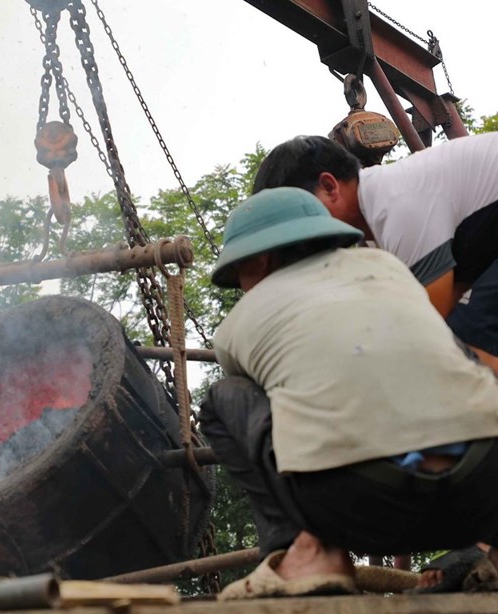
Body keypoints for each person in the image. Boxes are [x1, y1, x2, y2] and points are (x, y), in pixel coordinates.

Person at [201, 187, 498, 600]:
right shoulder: (389, 269)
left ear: (260, 259)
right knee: (463, 362)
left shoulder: (233, 328)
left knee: (226, 397)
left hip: (360, 505)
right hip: (483, 493)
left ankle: (309, 555)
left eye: (240, 276)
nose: (243, 289)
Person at [252, 133, 498, 375]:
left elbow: (430, 323)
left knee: (466, 338)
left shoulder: (395, 204)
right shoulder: (372, 235)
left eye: (297, 216)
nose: (300, 239)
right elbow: (451, 293)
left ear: (329, 187)